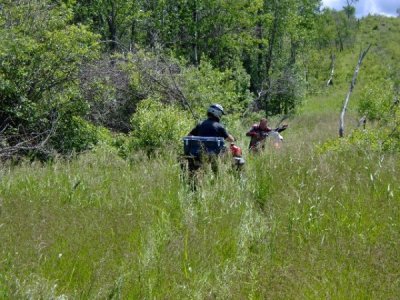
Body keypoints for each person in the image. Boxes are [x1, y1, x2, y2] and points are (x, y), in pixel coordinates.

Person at [185, 104, 234, 177]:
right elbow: (230, 139)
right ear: (218, 113)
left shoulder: (200, 124)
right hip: (213, 156)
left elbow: (189, 136)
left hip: (197, 154)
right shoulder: (219, 126)